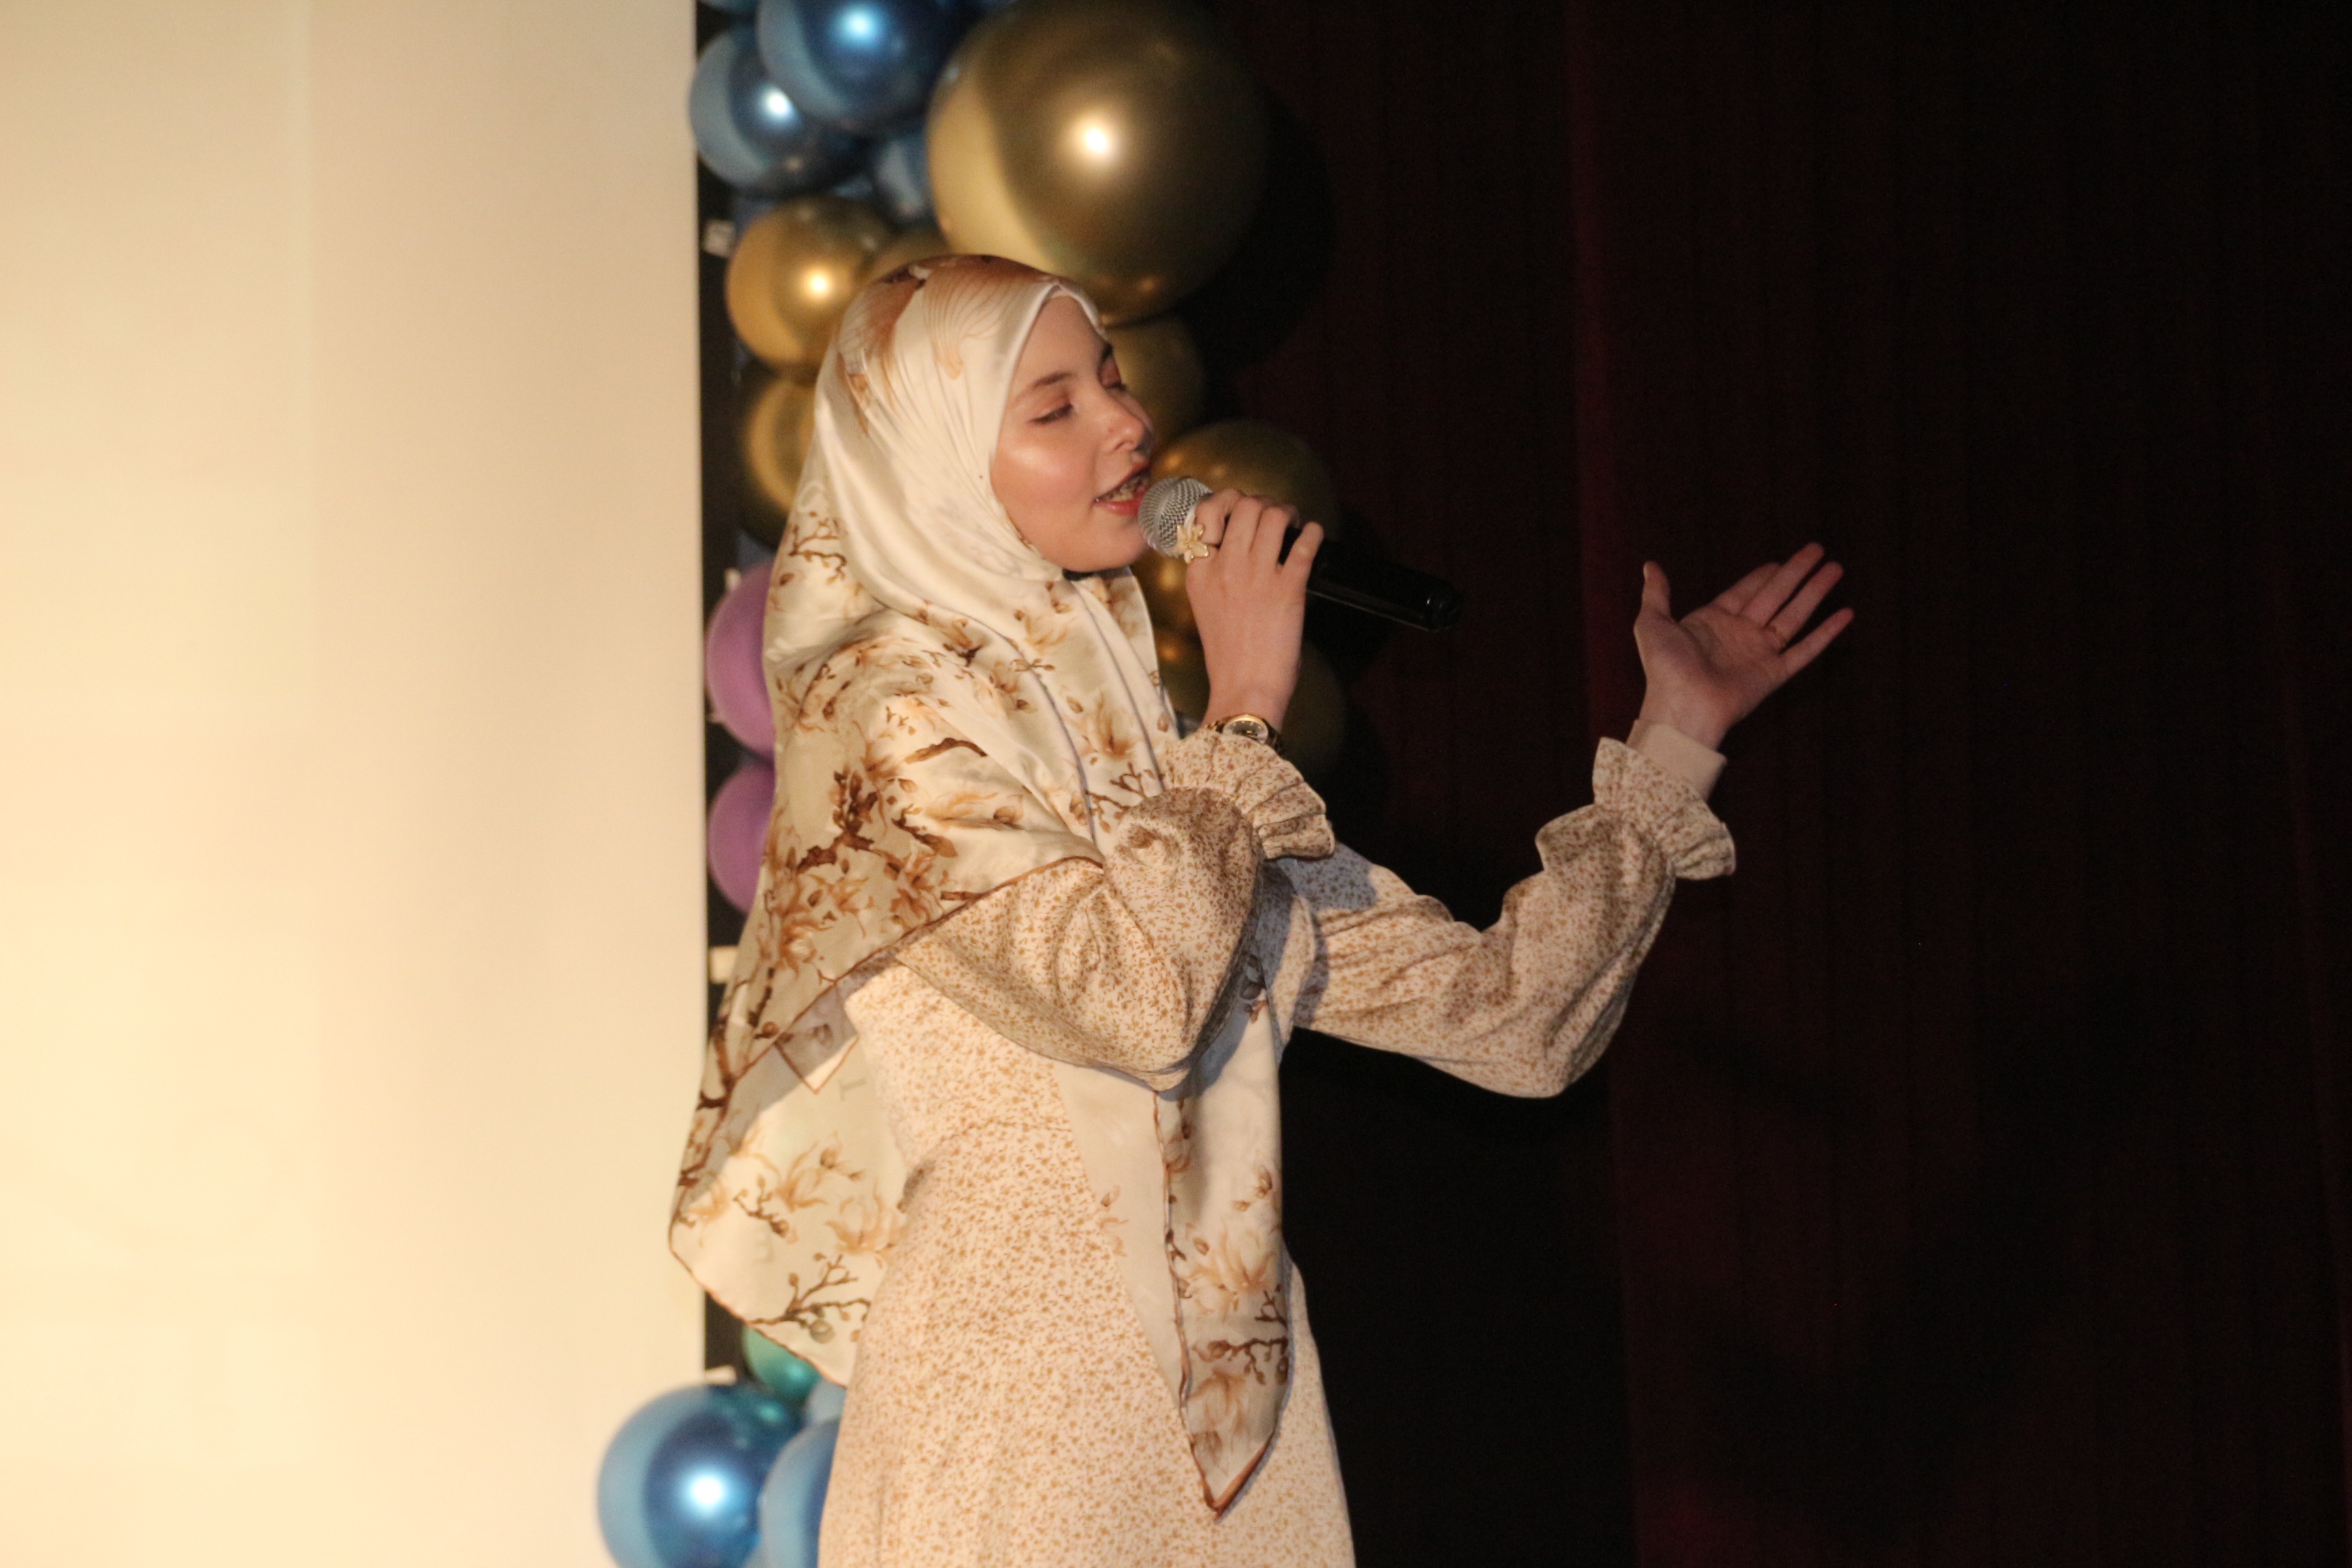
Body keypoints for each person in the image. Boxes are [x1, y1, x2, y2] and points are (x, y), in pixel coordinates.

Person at [671, 255, 1849, 1567]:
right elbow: (1137, 1005)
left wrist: (1675, 738)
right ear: (932, 468)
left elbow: (1515, 1023)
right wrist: (1242, 711)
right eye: (1054, 407)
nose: (1128, 422)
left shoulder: (1157, 764)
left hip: (1238, 1409)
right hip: (1022, 1401)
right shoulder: (883, 715)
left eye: (1112, 378)